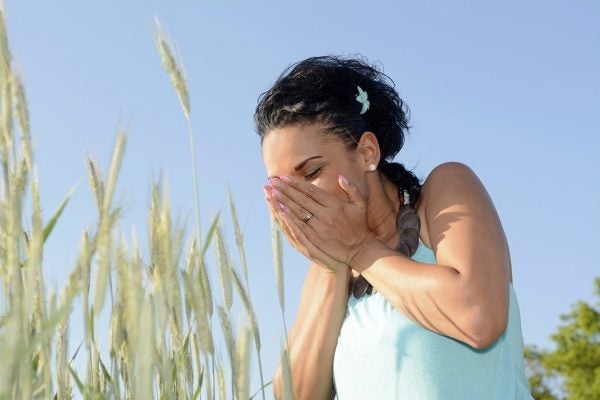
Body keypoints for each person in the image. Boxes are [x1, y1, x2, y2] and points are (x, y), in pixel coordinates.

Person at [255, 56, 532, 399]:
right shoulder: (326, 271)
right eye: (283, 188)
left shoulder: (444, 192)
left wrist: (359, 248)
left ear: (367, 152)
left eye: (311, 173)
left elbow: (478, 318)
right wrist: (334, 265)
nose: (298, 198)